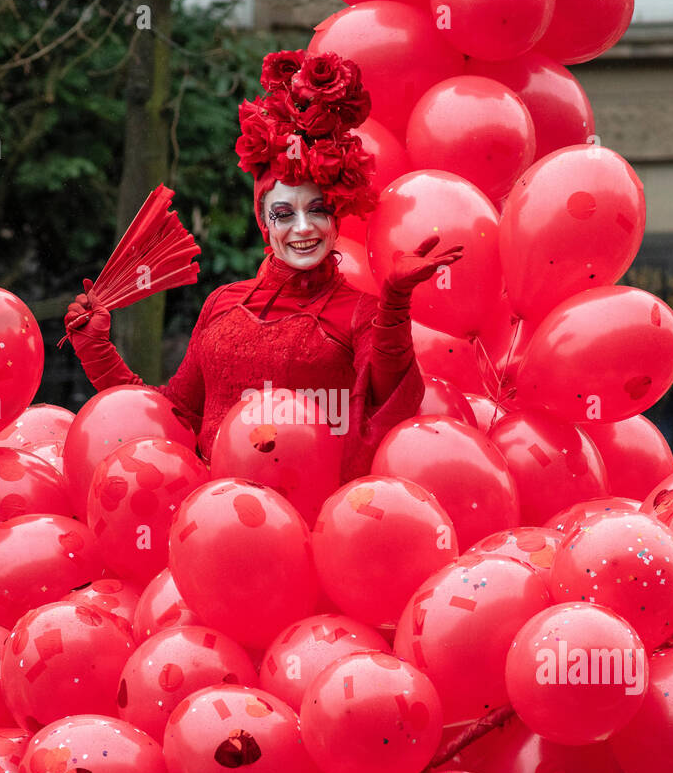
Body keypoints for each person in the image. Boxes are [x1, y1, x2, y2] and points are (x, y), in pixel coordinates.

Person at [65, 49, 461, 481]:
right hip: (214, 516)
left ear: (336, 216)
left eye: (318, 210)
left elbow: (387, 400)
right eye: (284, 214)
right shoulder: (221, 303)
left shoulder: (362, 311)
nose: (303, 227)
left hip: (308, 519)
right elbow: (173, 417)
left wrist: (395, 303)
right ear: (263, 222)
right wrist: (97, 352)